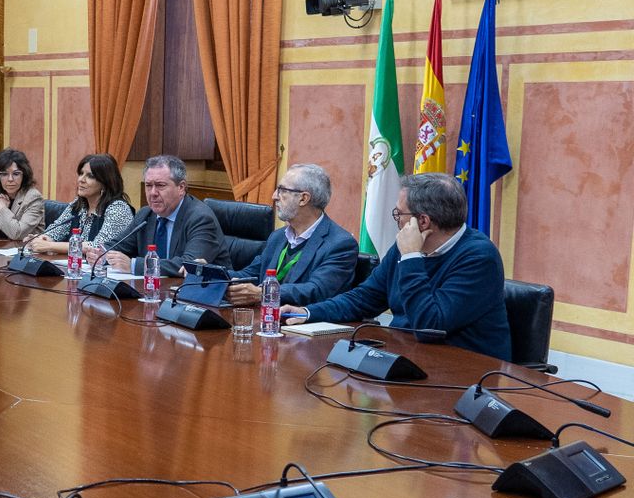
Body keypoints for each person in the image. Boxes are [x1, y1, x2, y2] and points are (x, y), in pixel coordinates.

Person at [281, 172, 511, 359]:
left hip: (464, 372)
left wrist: (412, 257)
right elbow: (365, 298)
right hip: (409, 356)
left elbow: (429, 326)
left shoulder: (479, 257)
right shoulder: (405, 246)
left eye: (398, 214)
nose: (397, 221)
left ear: (422, 221)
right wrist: (310, 311)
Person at [225, 164, 358, 307]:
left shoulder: (340, 244)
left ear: (303, 199)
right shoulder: (278, 237)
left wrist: (264, 293)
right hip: (267, 320)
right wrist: (209, 273)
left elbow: (317, 290)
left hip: (302, 324)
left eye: (282, 190)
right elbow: (251, 275)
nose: (274, 196)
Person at [102, 154, 227, 275]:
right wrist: (99, 253)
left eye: (160, 185)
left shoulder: (200, 218)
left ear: (181, 188)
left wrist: (134, 265)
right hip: (154, 290)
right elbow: (117, 246)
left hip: (201, 292)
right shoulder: (146, 214)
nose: (153, 193)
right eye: (148, 185)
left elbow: (189, 265)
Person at [29, 153, 134, 256]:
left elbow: (98, 247)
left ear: (105, 182)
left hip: (106, 271)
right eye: (81, 173)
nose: (81, 180)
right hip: (75, 268)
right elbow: (55, 231)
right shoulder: (78, 205)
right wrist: (41, 239)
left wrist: (50, 246)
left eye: (90, 176)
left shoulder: (118, 209)